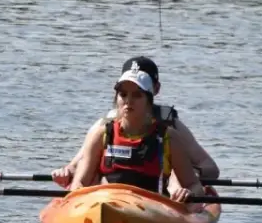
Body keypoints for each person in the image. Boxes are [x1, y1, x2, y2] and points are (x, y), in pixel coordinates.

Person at [52, 56, 218, 195]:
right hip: (108, 200)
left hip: (152, 204)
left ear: (153, 92)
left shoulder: (169, 131)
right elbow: (78, 169)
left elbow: (207, 172)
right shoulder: (104, 128)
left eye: (137, 95)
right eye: (123, 94)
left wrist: (189, 179)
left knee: (175, 177)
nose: (128, 101)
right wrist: (66, 172)